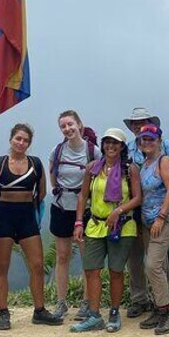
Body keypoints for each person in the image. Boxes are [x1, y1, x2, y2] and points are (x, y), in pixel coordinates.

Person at [0, 123, 61, 330]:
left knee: (37, 264)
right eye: (18, 138)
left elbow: (42, 191)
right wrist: (3, 207)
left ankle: (39, 310)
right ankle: (3, 312)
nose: (21, 143)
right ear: (11, 139)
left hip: (27, 216)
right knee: (2, 266)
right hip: (3, 217)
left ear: (29, 143)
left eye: (25, 140)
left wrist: (24, 207)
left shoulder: (35, 164)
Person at [72, 128, 142, 333]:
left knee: (116, 271)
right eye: (107, 142)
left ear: (122, 146)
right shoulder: (93, 168)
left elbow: (137, 197)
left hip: (122, 226)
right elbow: (83, 196)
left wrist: (118, 211)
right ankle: (94, 315)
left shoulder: (131, 169)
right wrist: (78, 223)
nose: (111, 146)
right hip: (95, 225)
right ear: (102, 145)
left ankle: (113, 311)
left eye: (116, 143)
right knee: (92, 269)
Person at [122, 107, 169, 319]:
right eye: (135, 124)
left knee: (156, 260)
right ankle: (141, 299)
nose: (138, 126)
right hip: (136, 210)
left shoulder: (166, 149)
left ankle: (163, 303)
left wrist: (164, 214)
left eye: (142, 122)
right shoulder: (130, 149)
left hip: (161, 212)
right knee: (134, 257)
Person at [49, 110, 98, 321]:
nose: (67, 129)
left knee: (87, 256)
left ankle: (87, 302)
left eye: (70, 124)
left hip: (85, 209)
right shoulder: (57, 151)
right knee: (62, 256)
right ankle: (61, 303)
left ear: (79, 124)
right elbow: (52, 174)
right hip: (61, 207)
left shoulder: (93, 151)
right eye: (63, 126)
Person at [135, 124, 169, 335]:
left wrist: (161, 217)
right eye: (144, 139)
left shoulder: (164, 161)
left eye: (151, 139)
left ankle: (166, 312)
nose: (147, 142)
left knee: (152, 265)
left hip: (165, 218)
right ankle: (158, 306)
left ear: (159, 141)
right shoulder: (146, 163)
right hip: (148, 221)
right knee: (157, 266)